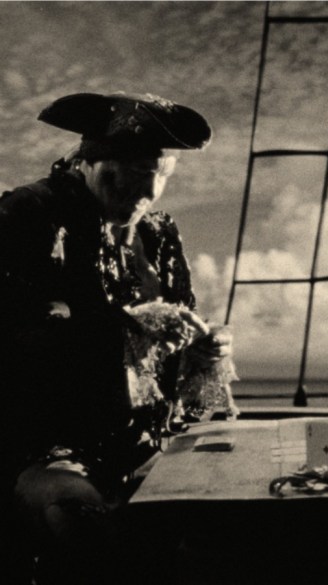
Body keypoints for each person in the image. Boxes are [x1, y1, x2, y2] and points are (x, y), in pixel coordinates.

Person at [0, 92, 232, 584]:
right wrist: (123, 330)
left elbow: (181, 325)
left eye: (157, 178)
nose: (142, 195)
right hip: (42, 447)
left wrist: (204, 347)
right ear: (87, 162)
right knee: (76, 515)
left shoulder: (160, 235)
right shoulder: (28, 213)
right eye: (128, 176)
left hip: (147, 441)